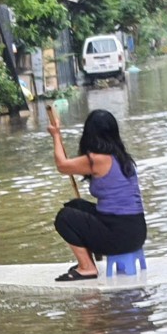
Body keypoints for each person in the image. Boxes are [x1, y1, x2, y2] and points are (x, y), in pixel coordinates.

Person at [47, 109, 147, 282]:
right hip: (136, 231)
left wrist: (56, 135)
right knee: (76, 205)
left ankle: (87, 267)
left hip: (119, 235)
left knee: (64, 217)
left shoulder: (98, 159)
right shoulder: (121, 157)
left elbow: (62, 166)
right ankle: (91, 257)